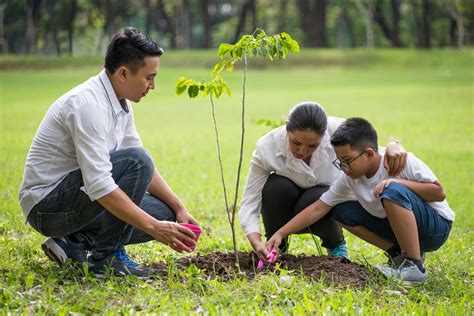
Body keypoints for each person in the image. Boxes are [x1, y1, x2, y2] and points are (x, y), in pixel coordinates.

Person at [19, 27, 199, 278]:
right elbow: (102, 184)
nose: (153, 86)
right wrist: (156, 229)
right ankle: (107, 259)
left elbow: (139, 166)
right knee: (140, 168)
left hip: (78, 198)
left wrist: (179, 208)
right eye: (149, 77)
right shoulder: (86, 105)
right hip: (48, 206)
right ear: (124, 73)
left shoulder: (120, 100)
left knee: (165, 213)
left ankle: (74, 242)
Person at [266, 117, 454, 284]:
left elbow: (439, 192)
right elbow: (319, 208)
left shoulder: (399, 161)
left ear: (370, 154)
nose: (343, 167)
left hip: (435, 227)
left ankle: (414, 267)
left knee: (392, 189)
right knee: (341, 212)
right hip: (401, 228)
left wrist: (397, 182)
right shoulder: (350, 178)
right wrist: (280, 233)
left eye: (347, 160)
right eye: (339, 161)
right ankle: (398, 255)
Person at [239, 102, 407, 262]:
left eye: (312, 146)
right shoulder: (266, 147)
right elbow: (250, 200)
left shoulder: (337, 131)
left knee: (321, 194)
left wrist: (393, 145)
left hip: (322, 205)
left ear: (325, 135)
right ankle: (276, 246)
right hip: (284, 207)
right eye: (295, 142)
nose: (302, 151)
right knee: (275, 186)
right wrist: (255, 240)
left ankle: (335, 245)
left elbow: (371, 151)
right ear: (286, 127)